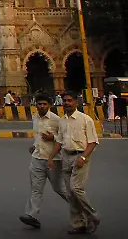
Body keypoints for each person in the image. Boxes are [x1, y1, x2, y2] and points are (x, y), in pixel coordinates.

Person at [19, 94, 68, 229]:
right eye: (39, 104)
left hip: (53, 160)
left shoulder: (56, 120)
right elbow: (38, 135)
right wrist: (35, 145)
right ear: (36, 105)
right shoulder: (35, 117)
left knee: (60, 189)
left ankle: (80, 209)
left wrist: (53, 137)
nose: (42, 106)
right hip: (37, 158)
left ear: (49, 105)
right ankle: (32, 215)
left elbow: (64, 138)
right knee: (36, 189)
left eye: (44, 104)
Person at [59, 92, 100, 234]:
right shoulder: (62, 121)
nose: (67, 103)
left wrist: (83, 158)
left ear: (76, 102)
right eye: (65, 100)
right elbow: (59, 141)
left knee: (76, 188)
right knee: (70, 193)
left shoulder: (85, 119)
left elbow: (92, 142)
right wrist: (51, 157)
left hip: (80, 156)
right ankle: (78, 223)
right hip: (66, 156)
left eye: (70, 100)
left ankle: (92, 215)